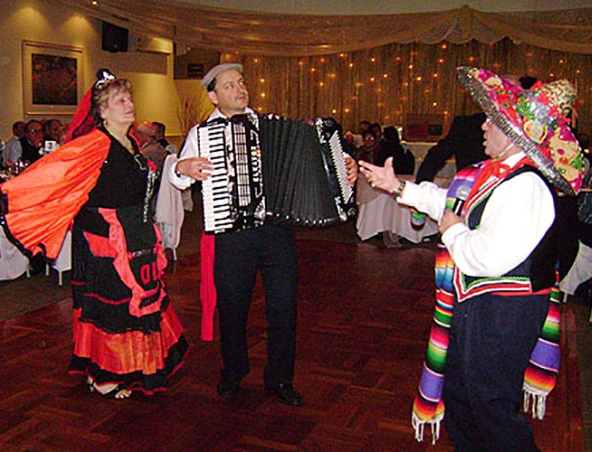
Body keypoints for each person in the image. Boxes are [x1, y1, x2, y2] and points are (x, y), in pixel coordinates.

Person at [359, 66, 584, 449]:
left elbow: (486, 258)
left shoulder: (525, 186)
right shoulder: (492, 174)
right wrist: (398, 187)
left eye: (492, 121)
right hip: (480, 307)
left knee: (491, 408)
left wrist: (452, 230)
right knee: (463, 398)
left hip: (503, 313)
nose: (483, 127)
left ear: (514, 133)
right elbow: (447, 201)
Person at [170, 63, 357, 406]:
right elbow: (178, 177)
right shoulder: (202, 134)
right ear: (213, 96)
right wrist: (180, 168)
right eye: (229, 86)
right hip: (231, 234)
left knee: (284, 307)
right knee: (233, 307)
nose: (240, 89)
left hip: (276, 232)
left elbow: (320, 155)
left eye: (240, 83)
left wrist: (347, 165)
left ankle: (280, 378)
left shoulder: (271, 126)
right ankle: (233, 370)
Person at [0, 69, 188, 399]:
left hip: (135, 239)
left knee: (134, 307)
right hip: (106, 245)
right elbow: (50, 176)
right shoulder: (93, 145)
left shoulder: (131, 142)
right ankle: (103, 375)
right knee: (112, 310)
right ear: (102, 111)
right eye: (120, 100)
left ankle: (126, 368)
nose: (129, 105)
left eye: (129, 98)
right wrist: (10, 197)